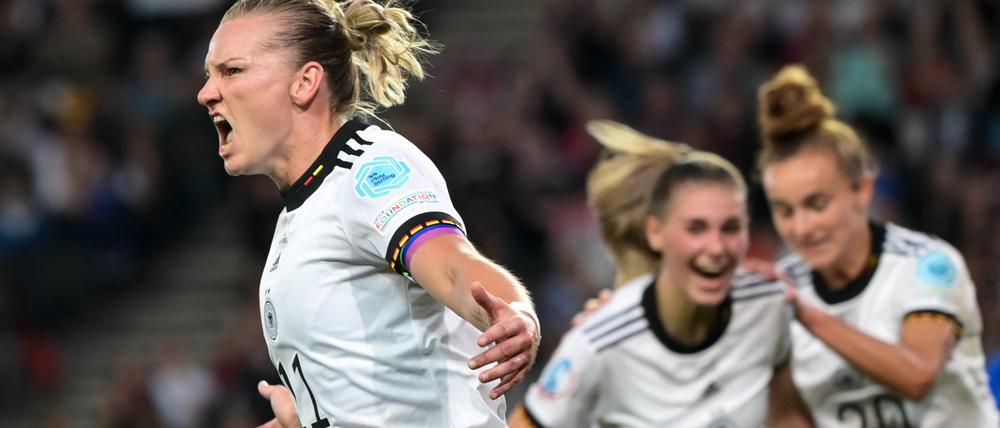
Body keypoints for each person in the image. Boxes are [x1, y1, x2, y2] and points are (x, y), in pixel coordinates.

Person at [196, 1, 541, 427]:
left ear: (304, 83)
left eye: (232, 71)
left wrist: (513, 313)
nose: (206, 92)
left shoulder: (368, 168)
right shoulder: (300, 214)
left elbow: (451, 263)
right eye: (209, 74)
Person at [509, 120, 805, 427]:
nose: (715, 247)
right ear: (654, 231)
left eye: (729, 227)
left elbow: (789, 414)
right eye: (695, 227)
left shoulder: (768, 305)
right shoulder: (601, 340)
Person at [758, 65, 999, 427]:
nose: (802, 227)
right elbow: (789, 415)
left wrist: (807, 316)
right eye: (784, 211)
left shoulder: (928, 265)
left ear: (862, 191)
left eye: (817, 204)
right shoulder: (781, 295)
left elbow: (917, 376)